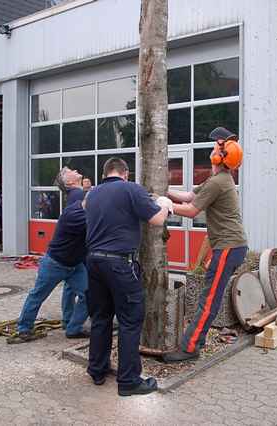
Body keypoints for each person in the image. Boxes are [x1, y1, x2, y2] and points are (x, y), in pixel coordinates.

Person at [84, 157, 171, 396]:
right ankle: (129, 381)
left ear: (105, 173)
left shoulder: (92, 194)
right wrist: (164, 204)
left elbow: (89, 208)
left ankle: (97, 370)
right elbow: (157, 220)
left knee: (101, 317)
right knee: (130, 320)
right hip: (119, 264)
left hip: (93, 262)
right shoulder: (131, 189)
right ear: (126, 173)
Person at [163, 127, 248, 363]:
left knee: (209, 299)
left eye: (214, 147)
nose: (211, 149)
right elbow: (190, 197)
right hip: (231, 246)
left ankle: (189, 348)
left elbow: (191, 211)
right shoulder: (218, 179)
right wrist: (165, 191)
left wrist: (165, 206)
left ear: (219, 157)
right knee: (209, 296)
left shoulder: (219, 181)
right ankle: (196, 341)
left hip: (228, 246)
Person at [9, 167, 90, 343]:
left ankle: (72, 327)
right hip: (56, 263)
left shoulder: (78, 194)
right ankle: (24, 329)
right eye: (69, 170)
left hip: (74, 263)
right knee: (38, 295)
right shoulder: (77, 195)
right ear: (68, 182)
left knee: (87, 294)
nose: (75, 169)